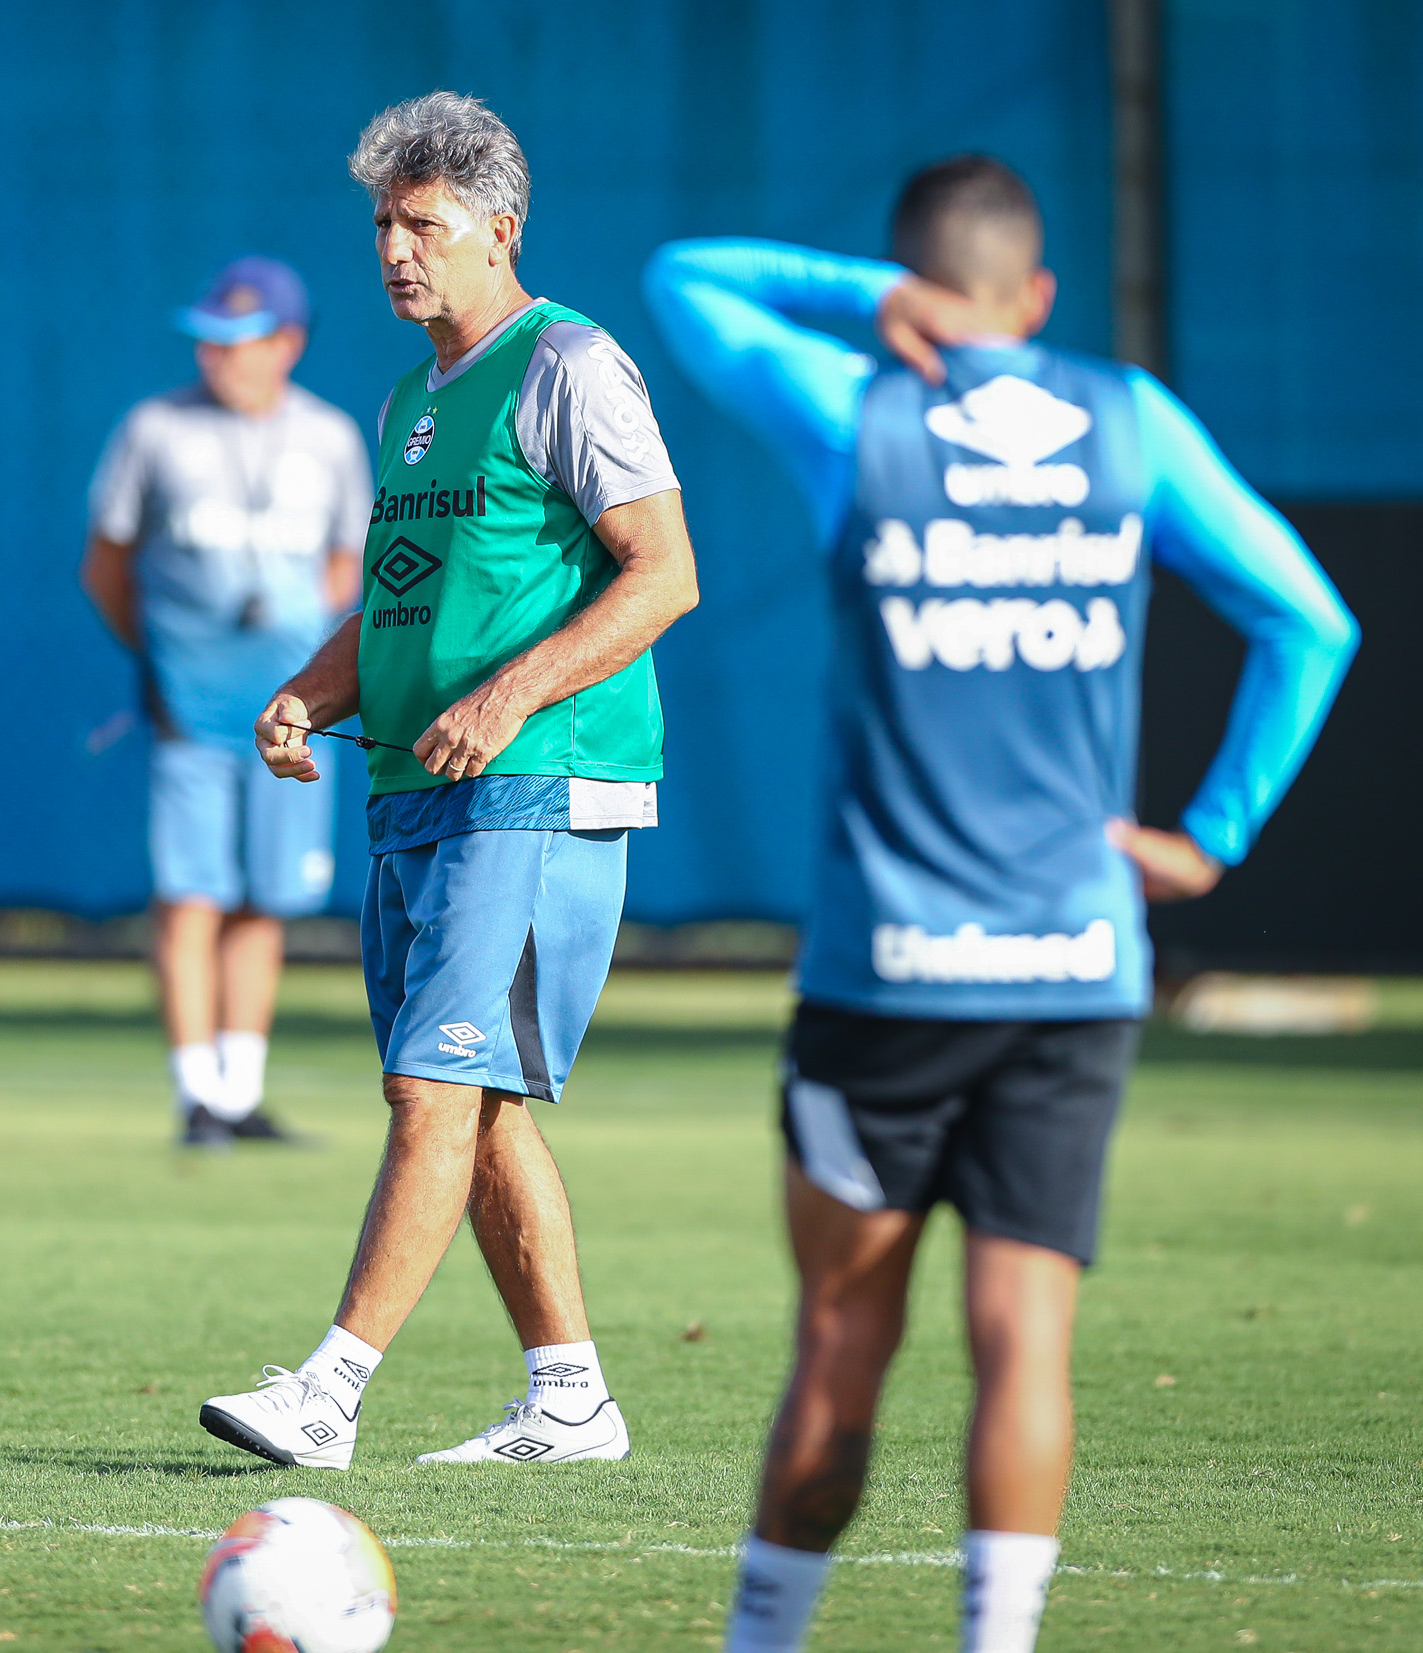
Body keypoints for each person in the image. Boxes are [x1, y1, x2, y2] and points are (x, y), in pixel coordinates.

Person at [642, 157, 1358, 1653]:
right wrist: (1210, 836)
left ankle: (764, 1641)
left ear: (914, 281)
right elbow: (1311, 619)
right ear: (1039, 294)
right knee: (1025, 1340)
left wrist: (861, 302)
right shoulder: (1133, 424)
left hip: (886, 977)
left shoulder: (860, 413)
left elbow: (684, 279)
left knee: (844, 1341)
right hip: (1077, 965)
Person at [198, 92, 699, 1469]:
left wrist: (509, 692)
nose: (397, 249)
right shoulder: (413, 397)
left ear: (500, 230)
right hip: (413, 788)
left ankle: (330, 1392)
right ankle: (571, 1397)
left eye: (425, 223)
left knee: (435, 1088)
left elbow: (666, 572)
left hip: (538, 780)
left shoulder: (568, 365)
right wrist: (308, 690)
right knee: (464, 1111)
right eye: (382, 223)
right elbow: (398, 602)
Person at [82, 257, 373, 1146]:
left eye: (239, 340)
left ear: (288, 344)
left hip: (292, 711)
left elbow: (343, 568)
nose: (218, 355)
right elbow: (107, 566)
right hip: (191, 710)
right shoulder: (154, 429)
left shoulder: (329, 437)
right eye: (208, 338)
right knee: (190, 892)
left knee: (266, 897)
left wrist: (310, 674)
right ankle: (194, 1094)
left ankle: (240, 1095)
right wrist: (169, 663)